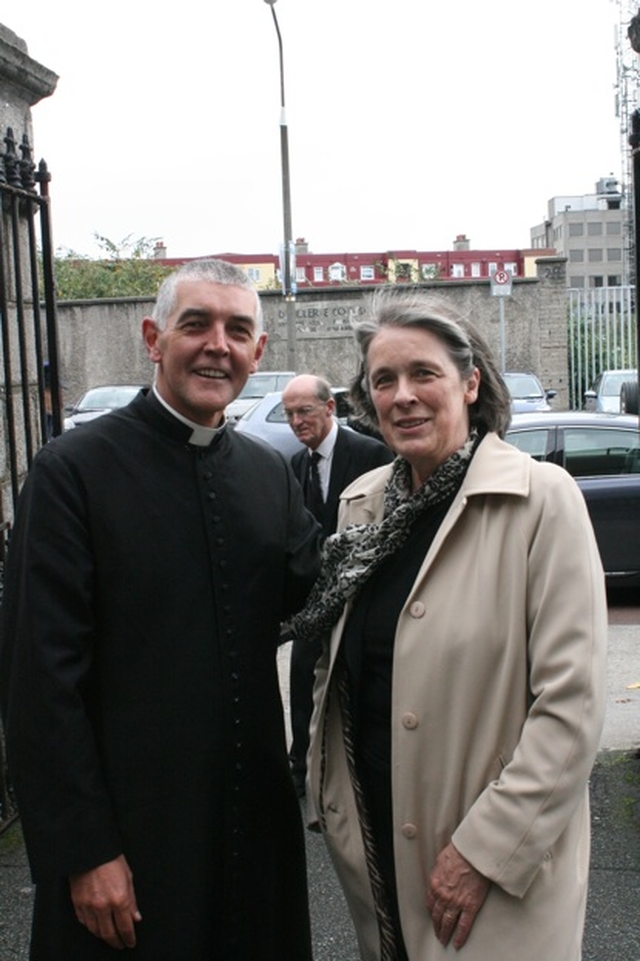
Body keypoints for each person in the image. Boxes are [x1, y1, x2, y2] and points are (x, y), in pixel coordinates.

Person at [0, 259, 321, 960]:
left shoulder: (269, 474)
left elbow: (325, 595)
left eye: (239, 330)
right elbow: (39, 682)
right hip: (130, 844)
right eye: (196, 324)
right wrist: (84, 850)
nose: (219, 345)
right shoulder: (71, 473)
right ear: (153, 336)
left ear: (258, 352)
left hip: (251, 833)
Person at [291, 289, 607, 961]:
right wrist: (332, 803)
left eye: (423, 373)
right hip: (377, 848)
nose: (402, 394)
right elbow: (331, 669)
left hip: (496, 868)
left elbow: (571, 707)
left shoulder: (542, 501)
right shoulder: (360, 510)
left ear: (469, 383)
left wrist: (482, 850)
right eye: (384, 379)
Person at [282, 374, 393, 796]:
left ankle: (356, 771)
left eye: (304, 411)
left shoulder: (370, 454)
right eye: (290, 414)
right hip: (314, 604)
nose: (296, 422)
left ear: (329, 408)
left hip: (362, 597)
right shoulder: (295, 465)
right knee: (302, 680)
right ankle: (301, 771)